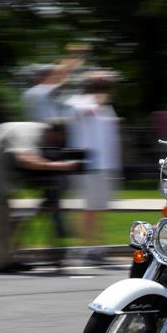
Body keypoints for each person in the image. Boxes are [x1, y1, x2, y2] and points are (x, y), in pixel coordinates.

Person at [0, 119, 82, 273]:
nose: (58, 143)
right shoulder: (29, 134)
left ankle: (10, 255)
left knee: (10, 212)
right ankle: (2, 261)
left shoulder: (45, 137)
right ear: (52, 133)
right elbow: (24, 158)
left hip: (7, 166)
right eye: (58, 139)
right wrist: (60, 166)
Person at [67, 70, 122, 263]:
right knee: (90, 208)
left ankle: (96, 245)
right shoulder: (80, 103)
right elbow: (81, 111)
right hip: (89, 165)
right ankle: (88, 247)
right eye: (101, 85)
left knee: (99, 208)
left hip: (105, 166)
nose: (105, 89)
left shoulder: (106, 109)